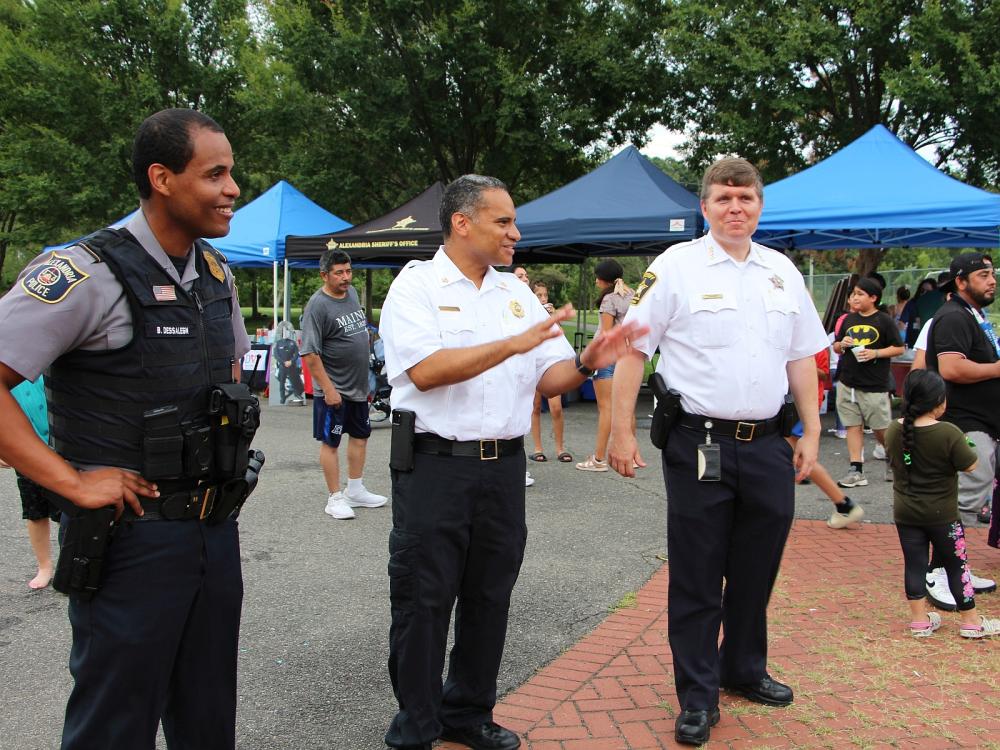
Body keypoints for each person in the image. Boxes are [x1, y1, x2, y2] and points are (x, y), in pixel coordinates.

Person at [0, 108, 255, 748]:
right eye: (216, 174)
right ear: (162, 178)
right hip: (128, 545)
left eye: (232, 173)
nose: (233, 189)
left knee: (207, 721)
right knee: (114, 727)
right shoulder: (84, 273)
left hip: (212, 533)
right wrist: (73, 483)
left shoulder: (217, 276)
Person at [379, 174, 645, 750]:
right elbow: (425, 370)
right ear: (461, 223)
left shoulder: (514, 294)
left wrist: (587, 358)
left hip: (502, 469)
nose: (515, 233)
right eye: (503, 221)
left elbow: (548, 376)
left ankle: (467, 713)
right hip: (435, 465)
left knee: (489, 595)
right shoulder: (416, 286)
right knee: (424, 598)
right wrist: (513, 345)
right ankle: (416, 725)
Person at [607, 158, 828, 747]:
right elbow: (633, 352)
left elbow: (801, 356)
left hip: (767, 447)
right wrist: (620, 432)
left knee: (757, 570)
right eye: (725, 198)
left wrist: (810, 431)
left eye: (747, 198)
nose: (737, 208)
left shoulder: (782, 271)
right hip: (698, 443)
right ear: (704, 207)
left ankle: (743, 669)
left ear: (760, 206)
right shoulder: (674, 267)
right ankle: (698, 696)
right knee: (700, 574)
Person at [886, 369, 1000, 638]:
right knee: (956, 564)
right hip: (943, 515)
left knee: (914, 564)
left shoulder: (894, 429)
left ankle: (919, 621)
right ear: (939, 402)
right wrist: (965, 444)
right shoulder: (948, 432)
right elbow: (972, 465)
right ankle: (971, 621)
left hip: (906, 513)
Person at [924, 252, 1000, 603]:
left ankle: (956, 567)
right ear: (960, 281)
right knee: (963, 499)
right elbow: (952, 369)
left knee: (970, 496)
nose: (992, 280)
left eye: (992, 273)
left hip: (982, 422)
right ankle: (939, 572)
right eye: (983, 275)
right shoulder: (954, 316)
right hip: (966, 424)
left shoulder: (973, 314)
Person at [301, 249, 388, 520]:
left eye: (348, 271)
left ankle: (355, 489)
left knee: (361, 437)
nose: (346, 277)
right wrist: (328, 389)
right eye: (339, 273)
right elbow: (310, 353)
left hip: (358, 387)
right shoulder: (317, 305)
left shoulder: (351, 294)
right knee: (331, 442)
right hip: (334, 390)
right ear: (324, 275)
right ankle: (334, 497)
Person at [831, 277, 904, 488]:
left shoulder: (884, 320)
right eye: (853, 293)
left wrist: (876, 353)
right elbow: (836, 347)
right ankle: (856, 469)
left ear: (873, 298)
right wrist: (840, 344)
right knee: (852, 425)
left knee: (881, 429)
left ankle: (895, 460)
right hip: (847, 382)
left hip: (874, 385)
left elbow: (899, 348)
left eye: (860, 294)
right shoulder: (848, 319)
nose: (854, 297)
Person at [576, 259, 644, 472]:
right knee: (627, 407)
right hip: (627, 356)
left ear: (602, 279)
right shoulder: (632, 295)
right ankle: (631, 455)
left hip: (607, 357)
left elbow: (606, 334)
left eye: (597, 277)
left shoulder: (608, 299)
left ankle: (598, 459)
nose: (596, 281)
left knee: (606, 408)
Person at [790, 350, 864, 528]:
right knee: (793, 452)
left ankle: (843, 503)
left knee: (796, 453)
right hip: (791, 402)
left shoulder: (811, 341)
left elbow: (823, 373)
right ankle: (843, 503)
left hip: (797, 403)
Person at [1, 375, 61, 589]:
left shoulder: (47, 364)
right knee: (35, 512)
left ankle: (71, 562)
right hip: (26, 452)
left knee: (68, 513)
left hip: (61, 448)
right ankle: (44, 566)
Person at [528, 280, 572, 463]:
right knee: (535, 406)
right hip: (533, 361)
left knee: (556, 407)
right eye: (539, 295)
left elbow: (560, 336)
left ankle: (560, 448)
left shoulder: (549, 313)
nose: (543, 298)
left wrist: (554, 317)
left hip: (551, 364)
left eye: (545, 295)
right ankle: (538, 448)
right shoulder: (527, 312)